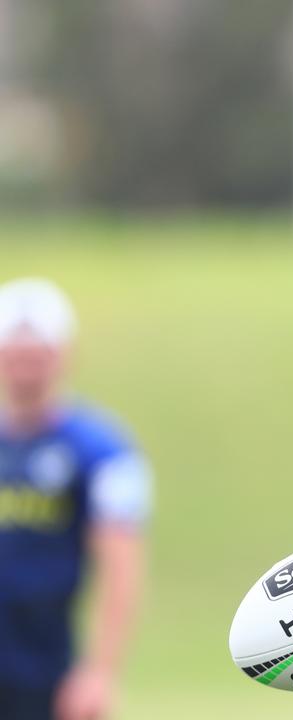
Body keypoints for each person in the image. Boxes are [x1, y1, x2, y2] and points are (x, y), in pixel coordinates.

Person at [0, 278, 151, 720]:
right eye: (16, 353)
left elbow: (121, 563)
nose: (26, 366)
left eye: (38, 354)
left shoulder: (102, 449)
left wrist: (100, 670)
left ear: (64, 355)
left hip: (47, 662)